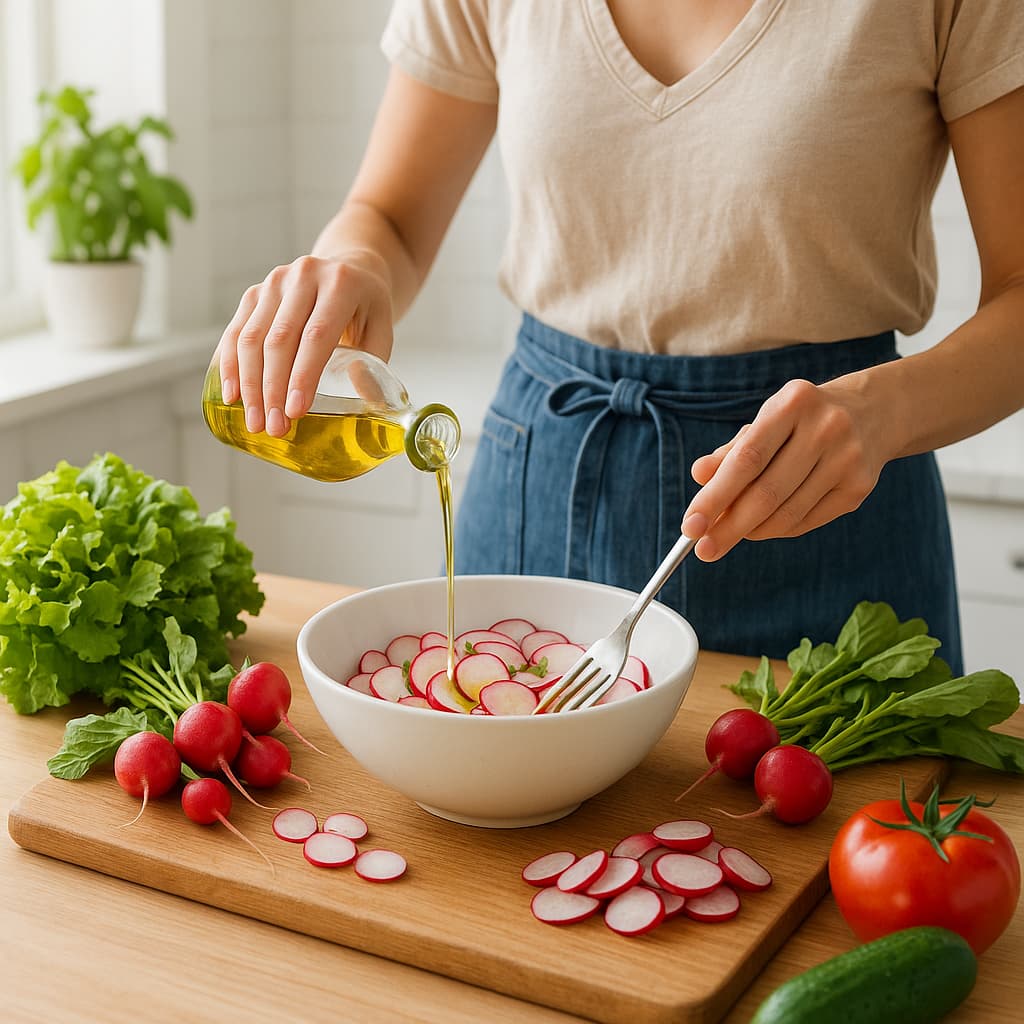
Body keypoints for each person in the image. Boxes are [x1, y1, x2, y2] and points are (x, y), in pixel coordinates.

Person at [215, 0, 1024, 676]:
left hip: (825, 499)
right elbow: (388, 217)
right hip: (543, 477)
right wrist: (353, 263)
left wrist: (881, 413)